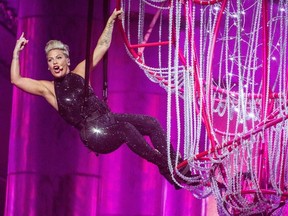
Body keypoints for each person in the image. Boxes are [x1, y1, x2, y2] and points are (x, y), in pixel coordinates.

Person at [11, 8, 186, 189]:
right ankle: (165, 165)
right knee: (126, 128)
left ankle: (178, 166)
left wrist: (110, 22)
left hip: (109, 120)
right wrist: (16, 54)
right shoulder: (48, 89)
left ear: (67, 61)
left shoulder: (80, 71)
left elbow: (101, 47)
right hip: (95, 135)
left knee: (151, 123)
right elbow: (16, 80)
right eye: (50, 60)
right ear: (48, 66)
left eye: (58, 57)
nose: (55, 62)